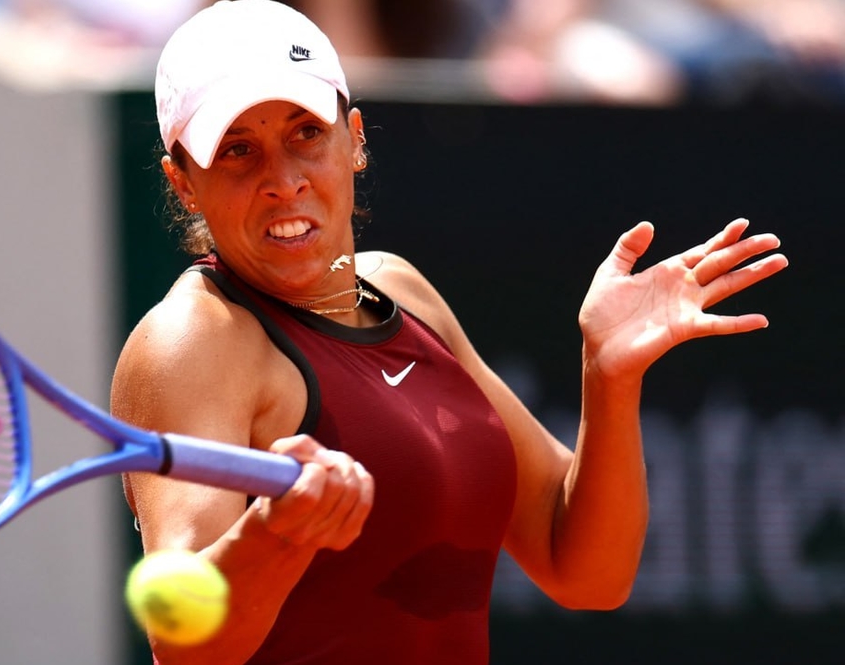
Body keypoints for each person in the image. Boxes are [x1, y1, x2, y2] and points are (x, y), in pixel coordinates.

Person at [110, 1, 789, 663]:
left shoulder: (403, 292)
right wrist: (278, 533)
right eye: (237, 150)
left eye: (306, 133)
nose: (282, 181)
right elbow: (184, 646)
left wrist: (609, 377)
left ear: (355, 138)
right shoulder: (191, 341)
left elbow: (586, 572)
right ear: (183, 182)